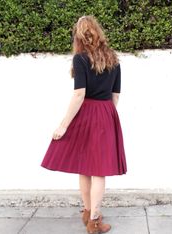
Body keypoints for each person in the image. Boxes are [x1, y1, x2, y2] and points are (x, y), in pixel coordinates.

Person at [41, 15, 127, 234]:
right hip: (106, 113)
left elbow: (79, 94)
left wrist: (63, 125)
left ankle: (89, 213)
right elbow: (115, 96)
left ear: (79, 35)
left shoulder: (79, 59)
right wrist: (106, 117)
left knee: (85, 167)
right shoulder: (114, 59)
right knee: (99, 170)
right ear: (98, 31)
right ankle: (94, 219)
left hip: (85, 113)